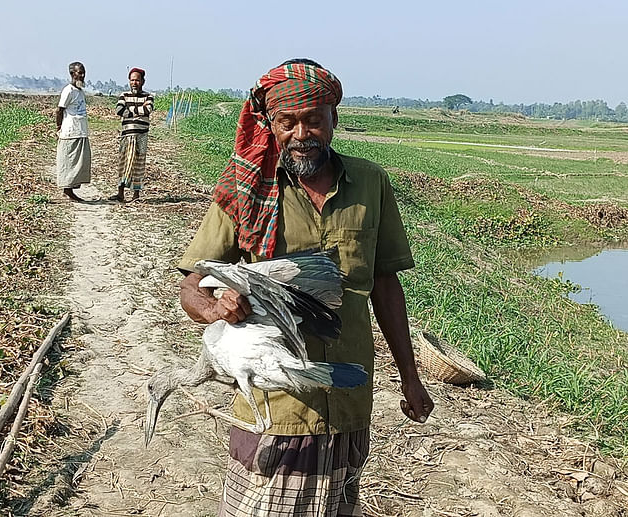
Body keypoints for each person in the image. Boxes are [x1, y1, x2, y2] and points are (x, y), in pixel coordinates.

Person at [178, 58, 434, 516]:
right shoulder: (247, 189)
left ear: (334, 119)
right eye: (287, 122)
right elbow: (192, 284)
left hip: (348, 395)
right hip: (276, 400)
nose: (301, 133)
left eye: (314, 120)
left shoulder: (370, 183)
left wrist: (410, 377)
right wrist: (215, 307)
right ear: (271, 125)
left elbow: (384, 283)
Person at [111, 67, 154, 202]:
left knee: (138, 164)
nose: (134, 83)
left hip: (141, 135)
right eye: (132, 80)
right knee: (124, 163)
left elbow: (148, 109)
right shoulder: (124, 95)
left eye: (137, 80)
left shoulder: (148, 96)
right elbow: (119, 110)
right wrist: (138, 112)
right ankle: (120, 193)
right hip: (127, 135)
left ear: (142, 81)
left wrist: (130, 110)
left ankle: (136, 195)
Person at [55, 61, 91, 202]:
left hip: (81, 131)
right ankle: (67, 191)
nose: (82, 76)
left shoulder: (80, 91)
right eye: (79, 73)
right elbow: (59, 110)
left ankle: (70, 189)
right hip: (70, 132)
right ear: (72, 74)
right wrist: (58, 128)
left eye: (83, 73)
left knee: (79, 163)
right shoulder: (68, 91)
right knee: (69, 162)